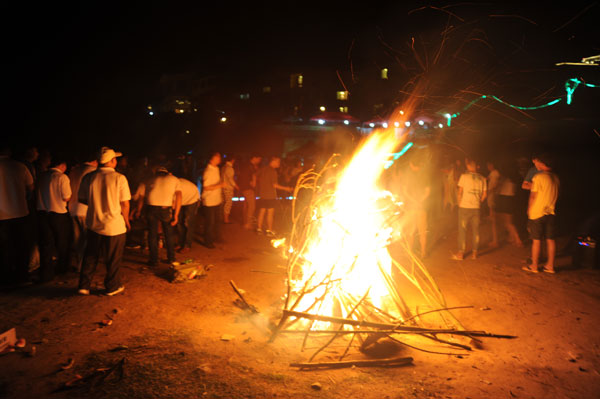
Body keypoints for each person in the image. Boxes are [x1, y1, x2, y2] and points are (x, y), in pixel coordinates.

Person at [77, 147, 131, 296]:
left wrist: (97, 204)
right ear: (112, 161)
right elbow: (125, 204)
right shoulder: (119, 178)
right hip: (114, 226)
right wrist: (126, 220)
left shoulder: (88, 177)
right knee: (113, 258)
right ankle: (112, 287)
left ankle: (84, 286)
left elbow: (81, 199)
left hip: (94, 224)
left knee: (90, 256)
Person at [0, 146, 34, 286]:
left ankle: (4, 279)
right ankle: (21, 277)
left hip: (1, 215)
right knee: (21, 246)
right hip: (20, 211)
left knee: (3, 248)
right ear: (9, 151)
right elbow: (31, 187)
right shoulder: (20, 167)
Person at [135, 164, 182, 266]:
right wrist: (176, 214)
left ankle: (153, 260)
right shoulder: (174, 179)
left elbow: (141, 198)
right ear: (167, 173)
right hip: (165, 208)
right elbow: (179, 196)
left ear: (156, 173)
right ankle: (171, 259)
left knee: (152, 234)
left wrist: (138, 211)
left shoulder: (148, 179)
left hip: (151, 208)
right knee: (168, 234)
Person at [36, 155, 72, 282]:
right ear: (62, 165)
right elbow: (66, 197)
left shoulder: (41, 176)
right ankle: (61, 269)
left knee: (46, 244)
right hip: (58, 214)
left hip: (42, 213)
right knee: (62, 242)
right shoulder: (62, 177)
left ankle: (46, 273)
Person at [522, 154, 560, 274]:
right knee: (550, 240)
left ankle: (534, 266)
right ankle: (550, 266)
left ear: (543, 164)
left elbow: (533, 196)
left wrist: (529, 209)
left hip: (537, 212)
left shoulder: (539, 177)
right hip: (551, 212)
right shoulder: (556, 178)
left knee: (536, 240)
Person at [68, 154, 98, 271]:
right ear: (95, 160)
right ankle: (86, 266)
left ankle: (80, 264)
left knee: (77, 240)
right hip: (85, 209)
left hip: (72, 208)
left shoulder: (74, 171)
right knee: (87, 239)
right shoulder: (92, 172)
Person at [453, 158, 487, 260]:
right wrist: (477, 202)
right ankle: (474, 253)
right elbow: (484, 195)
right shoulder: (482, 178)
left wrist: (459, 203)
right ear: (476, 166)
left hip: (464, 207)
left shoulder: (464, 176)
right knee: (476, 231)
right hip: (476, 208)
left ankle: (461, 253)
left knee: (462, 230)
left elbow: (459, 192)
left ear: (468, 166)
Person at [400, 152, 431, 257]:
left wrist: (413, 200)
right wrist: (420, 200)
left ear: (411, 164)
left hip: (411, 207)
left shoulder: (408, 175)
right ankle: (423, 252)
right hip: (422, 206)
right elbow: (428, 192)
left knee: (411, 231)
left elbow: (405, 192)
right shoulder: (425, 174)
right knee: (422, 231)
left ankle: (409, 252)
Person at [255, 156, 293, 237]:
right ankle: (269, 231)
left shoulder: (263, 169)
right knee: (270, 213)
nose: (279, 164)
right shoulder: (273, 171)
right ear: (273, 161)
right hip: (270, 196)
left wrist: (255, 184)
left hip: (262, 194)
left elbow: (255, 175)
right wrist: (286, 188)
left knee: (262, 212)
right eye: (278, 162)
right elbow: (274, 185)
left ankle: (259, 229)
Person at [495, 166, 524, 248]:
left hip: (505, 200)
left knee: (508, 223)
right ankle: (511, 238)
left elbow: (498, 190)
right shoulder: (513, 180)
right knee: (508, 222)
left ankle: (518, 240)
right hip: (510, 200)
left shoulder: (504, 180)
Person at [201, 152, 224, 248]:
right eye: (217, 157)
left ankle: (216, 237)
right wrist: (220, 185)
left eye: (219, 157)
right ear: (211, 159)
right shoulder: (208, 171)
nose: (219, 159)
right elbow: (206, 187)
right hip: (209, 200)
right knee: (210, 222)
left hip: (217, 199)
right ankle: (208, 241)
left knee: (217, 220)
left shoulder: (216, 169)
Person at [176, 175, 200, 254]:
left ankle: (187, 245)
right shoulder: (168, 185)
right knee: (179, 222)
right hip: (183, 199)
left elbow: (173, 204)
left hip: (192, 198)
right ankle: (180, 243)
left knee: (188, 222)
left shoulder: (174, 185)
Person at [238, 154, 261, 230]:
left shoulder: (245, 165)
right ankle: (248, 224)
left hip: (243, 187)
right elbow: (254, 176)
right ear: (254, 158)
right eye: (259, 159)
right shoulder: (251, 166)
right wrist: (253, 183)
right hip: (248, 188)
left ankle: (245, 222)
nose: (259, 161)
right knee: (252, 206)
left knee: (246, 205)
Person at [486, 160, 501, 248]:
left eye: (489, 165)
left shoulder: (496, 172)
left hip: (494, 193)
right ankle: (491, 215)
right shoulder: (492, 173)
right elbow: (487, 179)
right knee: (490, 205)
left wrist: (492, 190)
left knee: (492, 205)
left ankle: (495, 241)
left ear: (492, 165)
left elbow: (498, 183)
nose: (488, 167)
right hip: (491, 193)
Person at [221, 155, 239, 224]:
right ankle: (226, 219)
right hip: (228, 188)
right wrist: (236, 186)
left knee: (224, 203)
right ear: (232, 160)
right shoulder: (229, 168)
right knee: (228, 203)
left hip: (223, 188)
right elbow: (231, 179)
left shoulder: (223, 167)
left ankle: (222, 217)